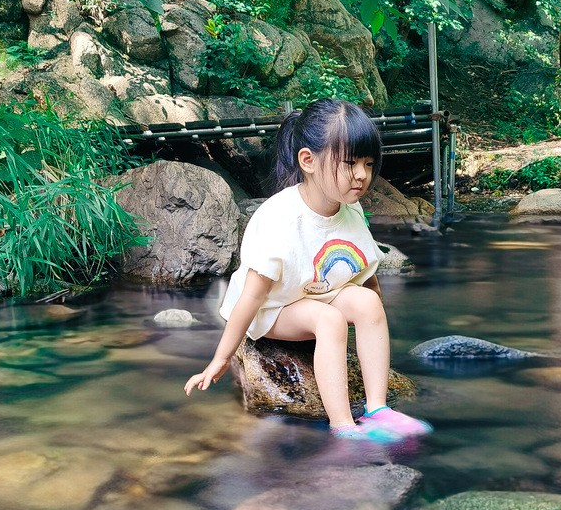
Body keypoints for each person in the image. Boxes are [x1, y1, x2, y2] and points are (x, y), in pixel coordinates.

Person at [184, 98, 431, 443]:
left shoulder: (351, 209)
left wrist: (370, 313)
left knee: (367, 303)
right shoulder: (280, 219)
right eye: (349, 163)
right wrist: (221, 358)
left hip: (317, 292)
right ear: (308, 160)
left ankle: (377, 411)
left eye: (368, 163)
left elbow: (365, 268)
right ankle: (343, 426)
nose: (361, 174)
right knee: (327, 321)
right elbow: (252, 296)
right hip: (274, 310)